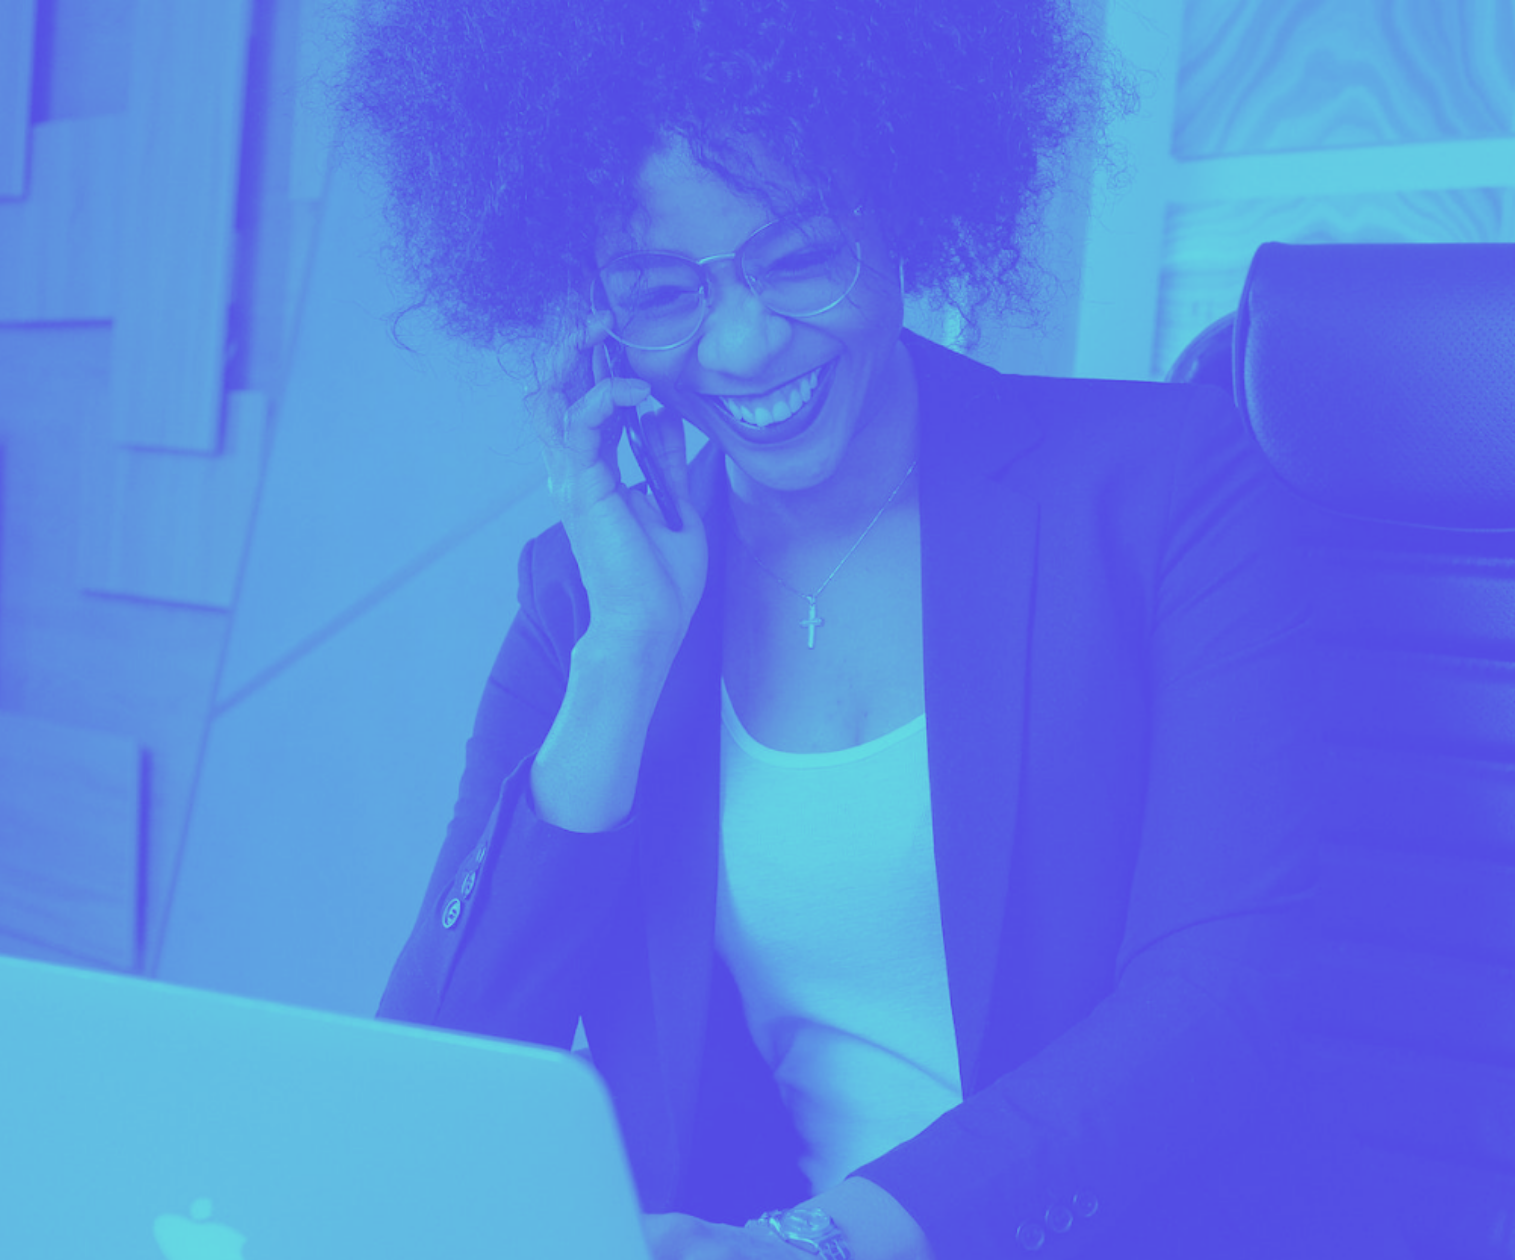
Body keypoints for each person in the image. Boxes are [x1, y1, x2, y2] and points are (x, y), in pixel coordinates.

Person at [348, 1, 1325, 1255]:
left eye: (800, 258)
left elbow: (1221, 1002)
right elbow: (432, 1094)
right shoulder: (588, 594)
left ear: (899, 203)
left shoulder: (1164, 491)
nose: (745, 345)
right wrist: (624, 658)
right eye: (662, 292)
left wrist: (827, 1241)